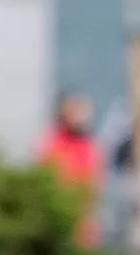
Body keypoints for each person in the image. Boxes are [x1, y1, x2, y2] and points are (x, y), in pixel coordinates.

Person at [38, 91, 104, 246]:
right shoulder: (52, 141)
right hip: (58, 215)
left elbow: (94, 183)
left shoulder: (89, 145)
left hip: (83, 220)